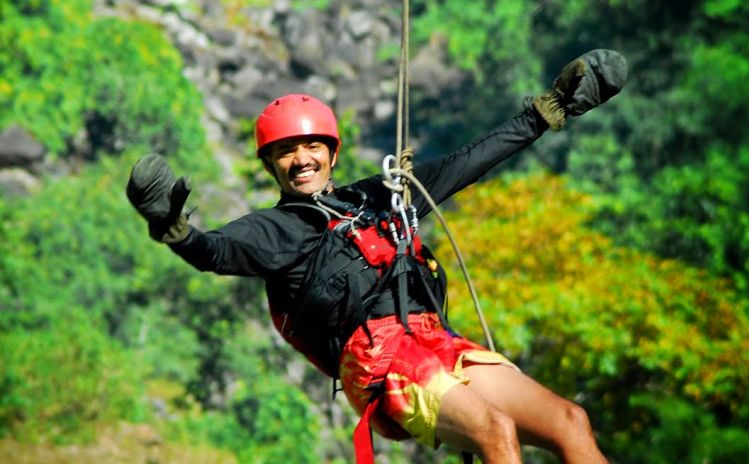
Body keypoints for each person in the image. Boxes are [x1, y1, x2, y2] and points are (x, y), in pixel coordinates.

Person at [127, 49, 627, 464]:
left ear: (332, 152)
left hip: (438, 342)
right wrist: (175, 231)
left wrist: (543, 114)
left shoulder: (379, 195)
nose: (301, 159)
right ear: (270, 165)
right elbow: (213, 251)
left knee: (570, 421)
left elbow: (465, 164)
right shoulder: (274, 229)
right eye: (286, 152)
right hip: (382, 362)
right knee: (495, 430)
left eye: (310, 146)